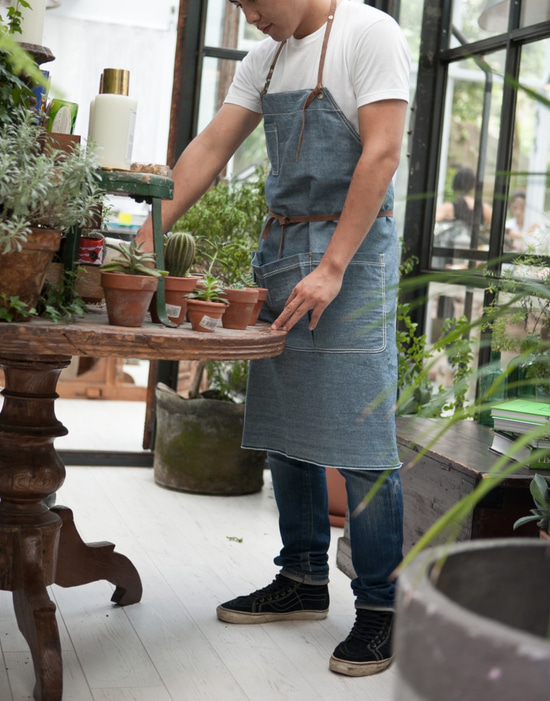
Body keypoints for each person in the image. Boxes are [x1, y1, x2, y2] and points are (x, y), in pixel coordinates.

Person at [137, 0, 410, 677]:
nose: (249, 15)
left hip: (353, 258)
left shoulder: (368, 34)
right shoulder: (264, 59)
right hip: (282, 250)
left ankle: (381, 610)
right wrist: (142, 247)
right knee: (284, 427)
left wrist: (333, 266)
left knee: (361, 439)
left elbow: (381, 152)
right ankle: (301, 577)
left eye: (253, 1)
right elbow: (208, 150)